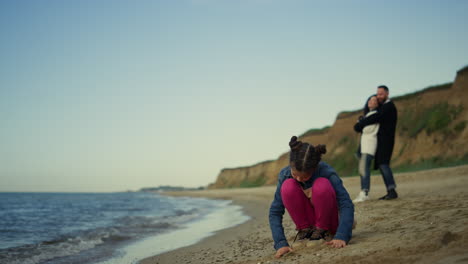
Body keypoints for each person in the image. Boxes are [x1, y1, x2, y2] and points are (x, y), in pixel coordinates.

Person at [269, 136, 354, 259]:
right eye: (295, 174)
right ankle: (306, 232)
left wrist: (342, 235)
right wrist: (280, 243)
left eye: (304, 177)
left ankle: (323, 231)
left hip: (331, 221)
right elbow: (275, 211)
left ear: (314, 168)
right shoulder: (285, 175)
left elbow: (345, 203)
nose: (298, 179)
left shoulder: (325, 171)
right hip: (308, 223)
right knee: (288, 186)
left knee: (321, 185)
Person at [354, 85, 398, 200]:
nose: (379, 96)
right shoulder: (383, 107)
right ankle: (390, 190)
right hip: (380, 142)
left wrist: (361, 122)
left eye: (381, 94)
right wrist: (361, 122)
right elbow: (366, 122)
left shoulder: (388, 106)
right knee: (381, 165)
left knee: (383, 164)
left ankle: (390, 190)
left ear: (387, 94)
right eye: (377, 94)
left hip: (386, 141)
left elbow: (375, 118)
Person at [353, 95, 380, 202]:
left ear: (378, 104)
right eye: (370, 99)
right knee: (362, 169)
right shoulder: (368, 115)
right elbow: (358, 127)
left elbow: (367, 129)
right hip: (364, 147)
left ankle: (364, 192)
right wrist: (361, 123)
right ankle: (363, 192)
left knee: (364, 170)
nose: (371, 101)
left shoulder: (376, 115)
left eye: (374, 100)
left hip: (369, 146)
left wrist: (361, 123)